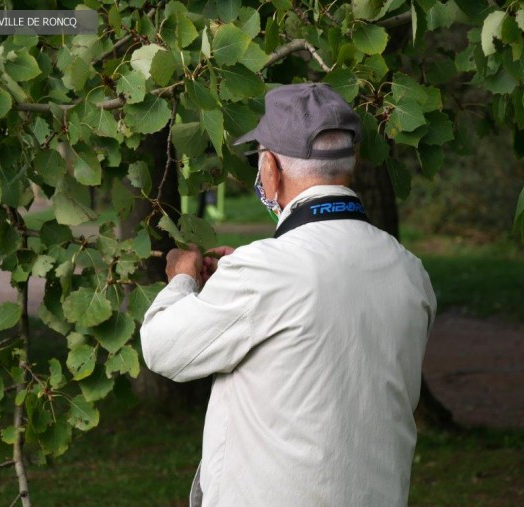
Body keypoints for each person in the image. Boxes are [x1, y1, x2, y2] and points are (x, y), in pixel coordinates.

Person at [140, 83, 436, 507]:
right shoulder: (410, 271)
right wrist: (239, 277)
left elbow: (161, 347)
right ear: (347, 167)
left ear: (271, 169)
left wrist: (181, 279)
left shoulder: (264, 273)